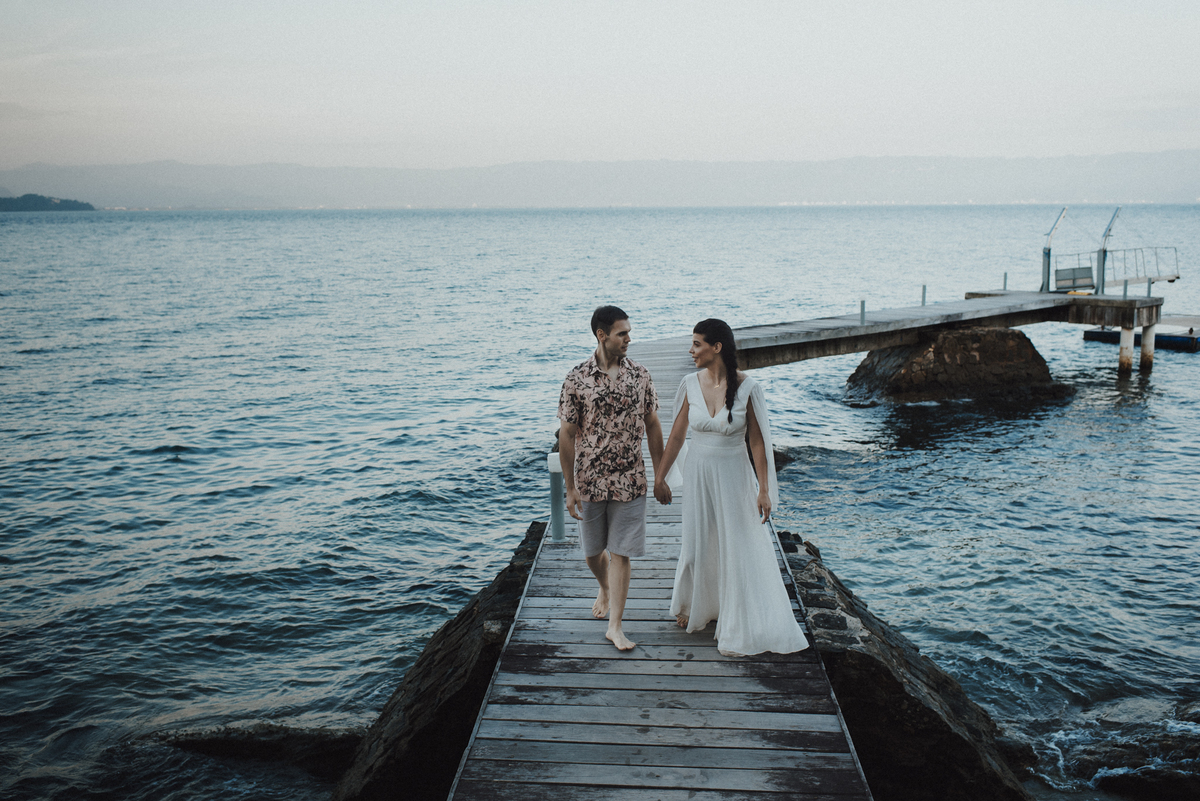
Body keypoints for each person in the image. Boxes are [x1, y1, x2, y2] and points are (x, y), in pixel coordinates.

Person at [653, 318, 809, 657]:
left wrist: (763, 489)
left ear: (717, 347)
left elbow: (757, 442)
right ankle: (700, 605)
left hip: (734, 474)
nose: (691, 350)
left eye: (697, 344)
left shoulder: (748, 387)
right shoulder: (689, 383)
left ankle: (738, 615)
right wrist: (660, 476)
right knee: (697, 542)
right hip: (699, 473)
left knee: (736, 542)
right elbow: (678, 435)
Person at [558, 305, 664, 651]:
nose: (629, 339)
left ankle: (615, 626)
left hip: (631, 479)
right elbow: (567, 435)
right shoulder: (576, 378)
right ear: (602, 335)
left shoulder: (641, 375)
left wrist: (661, 472)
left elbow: (652, 424)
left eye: (629, 332)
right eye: (622, 333)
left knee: (622, 552)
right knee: (593, 552)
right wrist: (570, 488)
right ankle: (603, 586)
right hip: (590, 480)